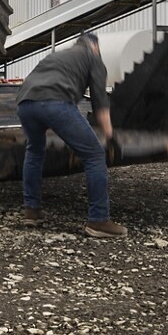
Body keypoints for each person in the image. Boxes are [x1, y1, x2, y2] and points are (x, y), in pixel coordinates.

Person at [16, 32, 127, 238]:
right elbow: (100, 101)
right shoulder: (93, 58)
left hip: (25, 103)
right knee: (94, 155)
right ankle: (99, 220)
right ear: (95, 47)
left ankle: (31, 211)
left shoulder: (55, 56)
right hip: (55, 102)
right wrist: (110, 136)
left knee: (34, 151)